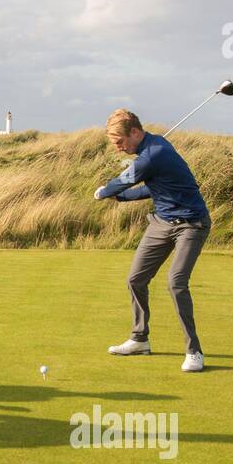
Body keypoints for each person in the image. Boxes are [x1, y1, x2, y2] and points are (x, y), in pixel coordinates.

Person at [94, 108, 211, 372]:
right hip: (161, 222)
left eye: (121, 142)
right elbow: (152, 187)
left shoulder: (154, 153)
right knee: (135, 279)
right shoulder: (152, 150)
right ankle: (139, 339)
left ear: (135, 132)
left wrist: (105, 192)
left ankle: (194, 352)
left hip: (191, 224)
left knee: (176, 282)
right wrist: (121, 197)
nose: (119, 149)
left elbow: (123, 181)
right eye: (115, 144)